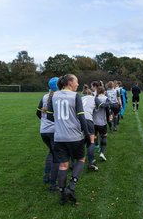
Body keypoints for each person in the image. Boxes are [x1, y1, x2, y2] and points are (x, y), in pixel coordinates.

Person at [48, 74, 90, 205]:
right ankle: (71, 187)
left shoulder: (53, 95)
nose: (78, 84)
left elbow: (49, 117)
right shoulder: (75, 96)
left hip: (59, 137)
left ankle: (62, 194)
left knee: (63, 165)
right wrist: (88, 135)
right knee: (81, 159)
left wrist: (61, 122)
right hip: (74, 136)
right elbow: (82, 118)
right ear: (70, 83)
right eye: (77, 82)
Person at [36, 77, 59, 191]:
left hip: (43, 131)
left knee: (51, 152)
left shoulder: (44, 96)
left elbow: (38, 113)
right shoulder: (58, 97)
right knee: (56, 156)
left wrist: (44, 122)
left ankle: (46, 176)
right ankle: (54, 182)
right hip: (54, 131)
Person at [81, 85, 99, 171]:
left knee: (78, 140)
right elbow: (100, 106)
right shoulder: (94, 98)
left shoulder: (80, 98)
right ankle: (91, 162)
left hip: (78, 120)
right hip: (88, 119)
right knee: (91, 140)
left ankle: (73, 162)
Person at [93, 85, 111, 162]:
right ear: (104, 92)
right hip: (102, 122)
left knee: (93, 137)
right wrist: (109, 121)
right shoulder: (106, 99)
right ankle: (102, 153)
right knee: (104, 136)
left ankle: (92, 156)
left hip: (93, 122)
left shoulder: (93, 98)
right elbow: (108, 111)